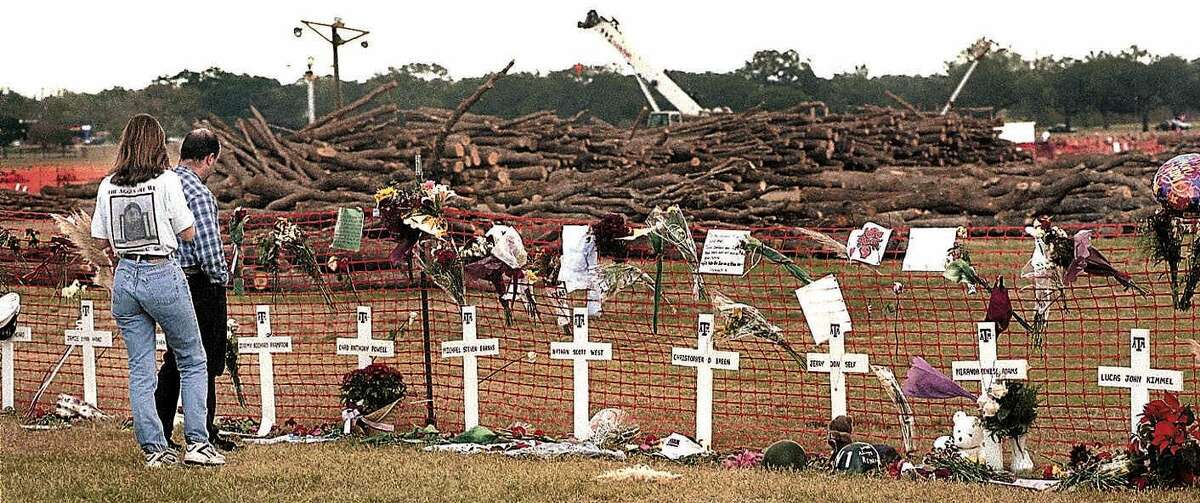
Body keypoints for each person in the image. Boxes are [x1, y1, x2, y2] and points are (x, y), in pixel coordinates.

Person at [91, 114, 225, 468]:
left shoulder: (107, 185)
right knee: (192, 359)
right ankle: (198, 443)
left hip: (125, 276)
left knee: (140, 367)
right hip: (161, 271)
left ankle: (154, 449)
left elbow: (99, 239)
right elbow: (188, 232)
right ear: (158, 144)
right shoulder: (166, 180)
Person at [155, 128, 236, 452]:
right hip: (199, 284)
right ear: (210, 158)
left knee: (175, 359)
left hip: (167, 278)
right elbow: (208, 250)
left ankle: (161, 430)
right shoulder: (199, 195)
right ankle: (203, 433)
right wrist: (222, 277)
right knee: (204, 360)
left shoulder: (163, 184)